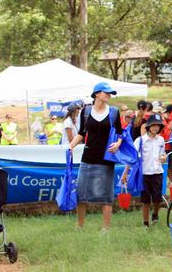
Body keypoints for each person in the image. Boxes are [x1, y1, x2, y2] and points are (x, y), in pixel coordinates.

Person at [68, 82, 122, 231]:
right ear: (97, 94)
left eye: (111, 93)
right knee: (81, 193)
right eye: (106, 92)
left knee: (106, 195)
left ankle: (106, 228)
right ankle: (79, 226)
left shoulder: (114, 112)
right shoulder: (85, 111)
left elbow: (120, 134)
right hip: (88, 158)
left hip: (106, 159)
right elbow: (81, 133)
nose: (109, 95)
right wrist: (70, 146)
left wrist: (117, 144)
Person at [121, 113, 166, 227]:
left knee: (157, 200)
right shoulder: (140, 141)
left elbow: (162, 156)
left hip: (157, 173)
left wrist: (163, 158)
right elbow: (132, 159)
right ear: (148, 126)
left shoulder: (161, 140)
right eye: (153, 125)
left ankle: (155, 214)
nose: (156, 127)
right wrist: (125, 174)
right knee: (145, 201)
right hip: (144, 174)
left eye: (158, 125)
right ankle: (145, 223)